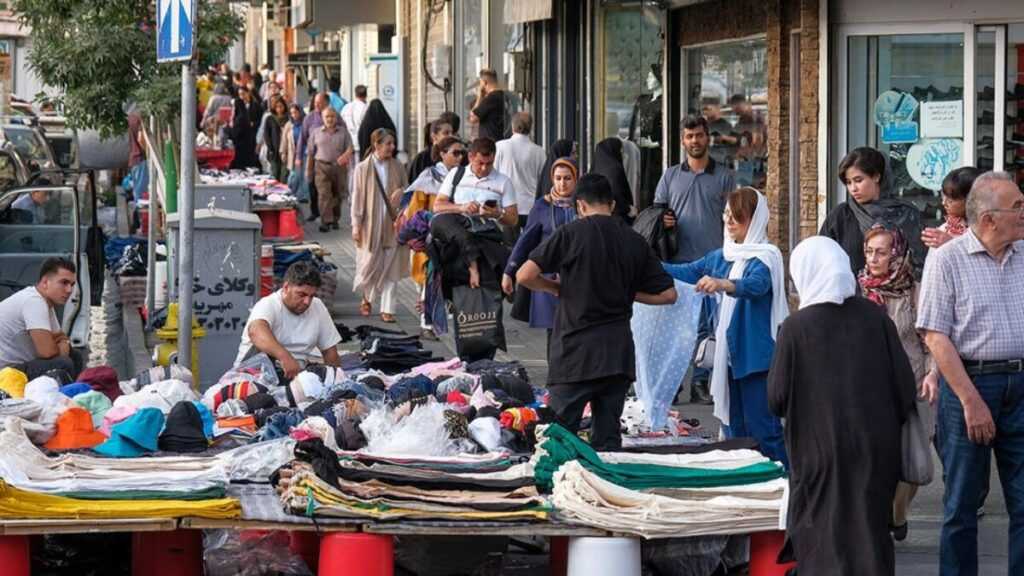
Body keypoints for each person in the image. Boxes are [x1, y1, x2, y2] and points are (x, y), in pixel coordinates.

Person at [768, 236, 916, 576]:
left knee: (824, 532)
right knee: (870, 529)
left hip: (820, 452)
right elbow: (904, 387)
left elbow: (776, 398)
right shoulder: (875, 317)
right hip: (877, 449)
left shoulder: (796, 327)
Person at [517, 173, 677, 450]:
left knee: (560, 439)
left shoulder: (569, 234)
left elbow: (524, 275)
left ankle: (561, 490)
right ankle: (606, 490)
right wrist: (627, 291)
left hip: (574, 354)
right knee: (607, 441)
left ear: (579, 205)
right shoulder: (634, 241)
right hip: (617, 356)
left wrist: (554, 287)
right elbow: (668, 294)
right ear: (613, 205)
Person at [916, 171, 1024, 576]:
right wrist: (970, 400)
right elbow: (936, 337)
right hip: (970, 386)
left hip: (1020, 385)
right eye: (1017, 206)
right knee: (960, 505)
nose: (1023, 212)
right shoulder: (947, 260)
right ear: (988, 219)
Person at [662, 187, 789, 466]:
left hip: (756, 359)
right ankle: (746, 484)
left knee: (765, 431)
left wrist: (725, 284)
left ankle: (788, 487)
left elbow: (757, 285)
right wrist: (641, 262)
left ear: (755, 219)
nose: (729, 222)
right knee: (734, 432)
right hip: (727, 359)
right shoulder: (722, 256)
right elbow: (684, 272)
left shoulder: (766, 257)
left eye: (737, 216)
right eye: (727, 215)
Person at [859, 224, 938, 541]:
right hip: (871, 386)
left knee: (911, 460)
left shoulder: (915, 291)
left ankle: (898, 513)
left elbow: (931, 339)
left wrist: (934, 373)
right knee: (875, 458)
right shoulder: (857, 290)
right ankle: (878, 519)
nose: (873, 258)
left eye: (881, 251)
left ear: (897, 253)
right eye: (869, 251)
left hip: (913, 384)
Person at [655, 114, 736, 405]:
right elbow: (656, 211)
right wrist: (662, 220)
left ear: (707, 137)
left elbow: (735, 218)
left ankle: (700, 384)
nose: (695, 141)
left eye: (699, 135)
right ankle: (673, 382)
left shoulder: (725, 176)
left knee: (706, 327)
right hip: (678, 261)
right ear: (682, 140)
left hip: (713, 261)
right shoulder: (670, 176)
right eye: (689, 136)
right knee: (677, 328)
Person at [502, 157, 578, 353]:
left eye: (568, 178)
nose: (562, 184)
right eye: (558, 178)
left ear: (576, 179)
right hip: (548, 278)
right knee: (553, 334)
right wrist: (510, 270)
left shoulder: (582, 205)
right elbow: (526, 240)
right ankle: (555, 380)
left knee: (576, 331)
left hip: (578, 275)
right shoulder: (542, 206)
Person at [821, 146, 926, 276]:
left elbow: (922, 264)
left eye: (858, 180)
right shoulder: (841, 215)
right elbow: (821, 260)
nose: (853, 188)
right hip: (852, 294)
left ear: (876, 176)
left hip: (901, 294)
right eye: (848, 182)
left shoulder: (906, 214)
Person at [403, 136, 466, 339]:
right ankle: (426, 325)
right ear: (442, 154)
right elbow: (415, 212)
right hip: (434, 237)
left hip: (456, 236)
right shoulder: (429, 177)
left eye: (462, 153)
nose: (460, 157)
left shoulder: (464, 176)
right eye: (455, 153)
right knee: (432, 280)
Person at [235, 262, 341, 381]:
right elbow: (255, 331)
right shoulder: (268, 304)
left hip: (295, 377)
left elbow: (330, 352)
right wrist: (285, 357)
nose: (307, 301)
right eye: (302, 294)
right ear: (286, 287)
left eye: (311, 296)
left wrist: (334, 382)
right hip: (255, 377)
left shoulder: (317, 306)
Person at [351, 128, 409, 323]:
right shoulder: (362, 168)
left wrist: (401, 190)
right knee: (370, 264)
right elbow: (357, 198)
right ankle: (367, 297)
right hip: (370, 224)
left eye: (393, 143)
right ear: (377, 145)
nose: (392, 147)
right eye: (388, 144)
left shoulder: (398, 166)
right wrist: (356, 225)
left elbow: (408, 190)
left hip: (392, 222)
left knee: (391, 266)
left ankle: (388, 309)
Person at [0, 257, 84, 379]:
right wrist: (61, 347)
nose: (69, 290)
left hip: (16, 368)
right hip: (5, 374)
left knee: (74, 356)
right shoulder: (34, 301)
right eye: (64, 283)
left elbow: (61, 337)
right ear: (45, 282)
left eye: (72, 284)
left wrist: (63, 344)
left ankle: (68, 394)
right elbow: (46, 352)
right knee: (63, 364)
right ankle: (60, 397)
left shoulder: (45, 302)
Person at [434, 137, 519, 229]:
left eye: (489, 163)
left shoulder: (504, 182)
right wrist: (461, 208)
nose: (484, 168)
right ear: (470, 157)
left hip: (486, 234)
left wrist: (496, 214)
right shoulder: (456, 174)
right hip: (458, 229)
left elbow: (513, 220)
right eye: (480, 163)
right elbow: (437, 206)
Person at [306, 107, 355, 233]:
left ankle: (335, 218)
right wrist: (308, 170)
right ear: (322, 118)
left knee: (338, 194)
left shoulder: (344, 132)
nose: (330, 119)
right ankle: (325, 221)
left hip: (339, 168)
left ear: (336, 118)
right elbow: (310, 153)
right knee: (324, 194)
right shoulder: (316, 133)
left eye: (332, 116)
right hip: (321, 166)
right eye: (327, 117)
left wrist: (345, 156)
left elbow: (350, 148)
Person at [494, 112, 546, 230]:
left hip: (506, 206)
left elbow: (493, 175)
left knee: (509, 245)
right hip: (530, 206)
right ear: (530, 128)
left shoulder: (500, 147)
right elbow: (542, 179)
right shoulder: (539, 152)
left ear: (513, 126)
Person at [922, 166, 981, 249]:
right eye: (943, 196)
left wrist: (951, 244)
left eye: (950, 200)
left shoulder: (986, 231)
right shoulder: (948, 227)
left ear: (971, 200)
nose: (943, 203)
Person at [298, 93, 330, 223]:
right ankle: (314, 211)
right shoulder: (309, 118)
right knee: (312, 185)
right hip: (312, 157)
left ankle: (328, 215)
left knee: (326, 189)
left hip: (328, 157)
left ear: (326, 103)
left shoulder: (333, 116)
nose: (317, 105)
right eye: (315, 102)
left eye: (320, 103)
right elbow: (302, 137)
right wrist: (298, 157)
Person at [591, 138, 635, 223]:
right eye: (621, 150)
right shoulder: (615, 170)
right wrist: (629, 209)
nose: (623, 154)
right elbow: (618, 195)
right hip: (617, 219)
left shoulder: (594, 169)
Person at [407, 119, 454, 184]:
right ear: (434, 136)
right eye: (446, 133)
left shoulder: (456, 155)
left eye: (452, 133)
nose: (451, 136)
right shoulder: (422, 158)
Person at [229, 85, 263, 170]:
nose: (242, 96)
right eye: (240, 94)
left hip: (251, 136)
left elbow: (260, 120)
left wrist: (254, 124)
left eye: (243, 94)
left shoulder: (256, 105)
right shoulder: (238, 103)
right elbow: (235, 117)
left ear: (248, 93)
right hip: (240, 134)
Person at [281, 103, 309, 203]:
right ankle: (290, 192)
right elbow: (284, 140)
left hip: (305, 152)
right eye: (292, 113)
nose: (294, 115)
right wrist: (283, 153)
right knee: (294, 174)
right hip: (293, 153)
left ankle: (303, 195)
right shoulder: (289, 125)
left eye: (296, 112)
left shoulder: (306, 123)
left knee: (305, 175)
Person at [470, 67, 506, 141]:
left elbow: (473, 118)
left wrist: (479, 96)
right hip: (503, 140)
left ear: (484, 82)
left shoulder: (491, 99)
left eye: (480, 83)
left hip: (490, 143)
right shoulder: (506, 96)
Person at [262, 95, 289, 183]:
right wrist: (270, 148)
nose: (279, 109)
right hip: (274, 151)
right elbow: (266, 134)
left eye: (281, 106)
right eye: (277, 107)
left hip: (286, 150)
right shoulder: (270, 119)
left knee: (285, 174)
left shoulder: (288, 118)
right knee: (274, 173)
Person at [341, 85, 369, 160]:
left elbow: (341, 123)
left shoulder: (346, 107)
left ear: (355, 94)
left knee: (350, 168)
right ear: (366, 95)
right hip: (360, 142)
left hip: (347, 142)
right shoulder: (366, 108)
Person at [127, 104, 148, 201]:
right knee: (141, 192)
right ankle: (138, 215)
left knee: (137, 190)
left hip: (133, 159)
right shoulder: (141, 117)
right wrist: (147, 151)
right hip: (141, 158)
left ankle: (137, 213)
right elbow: (140, 138)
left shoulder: (131, 116)